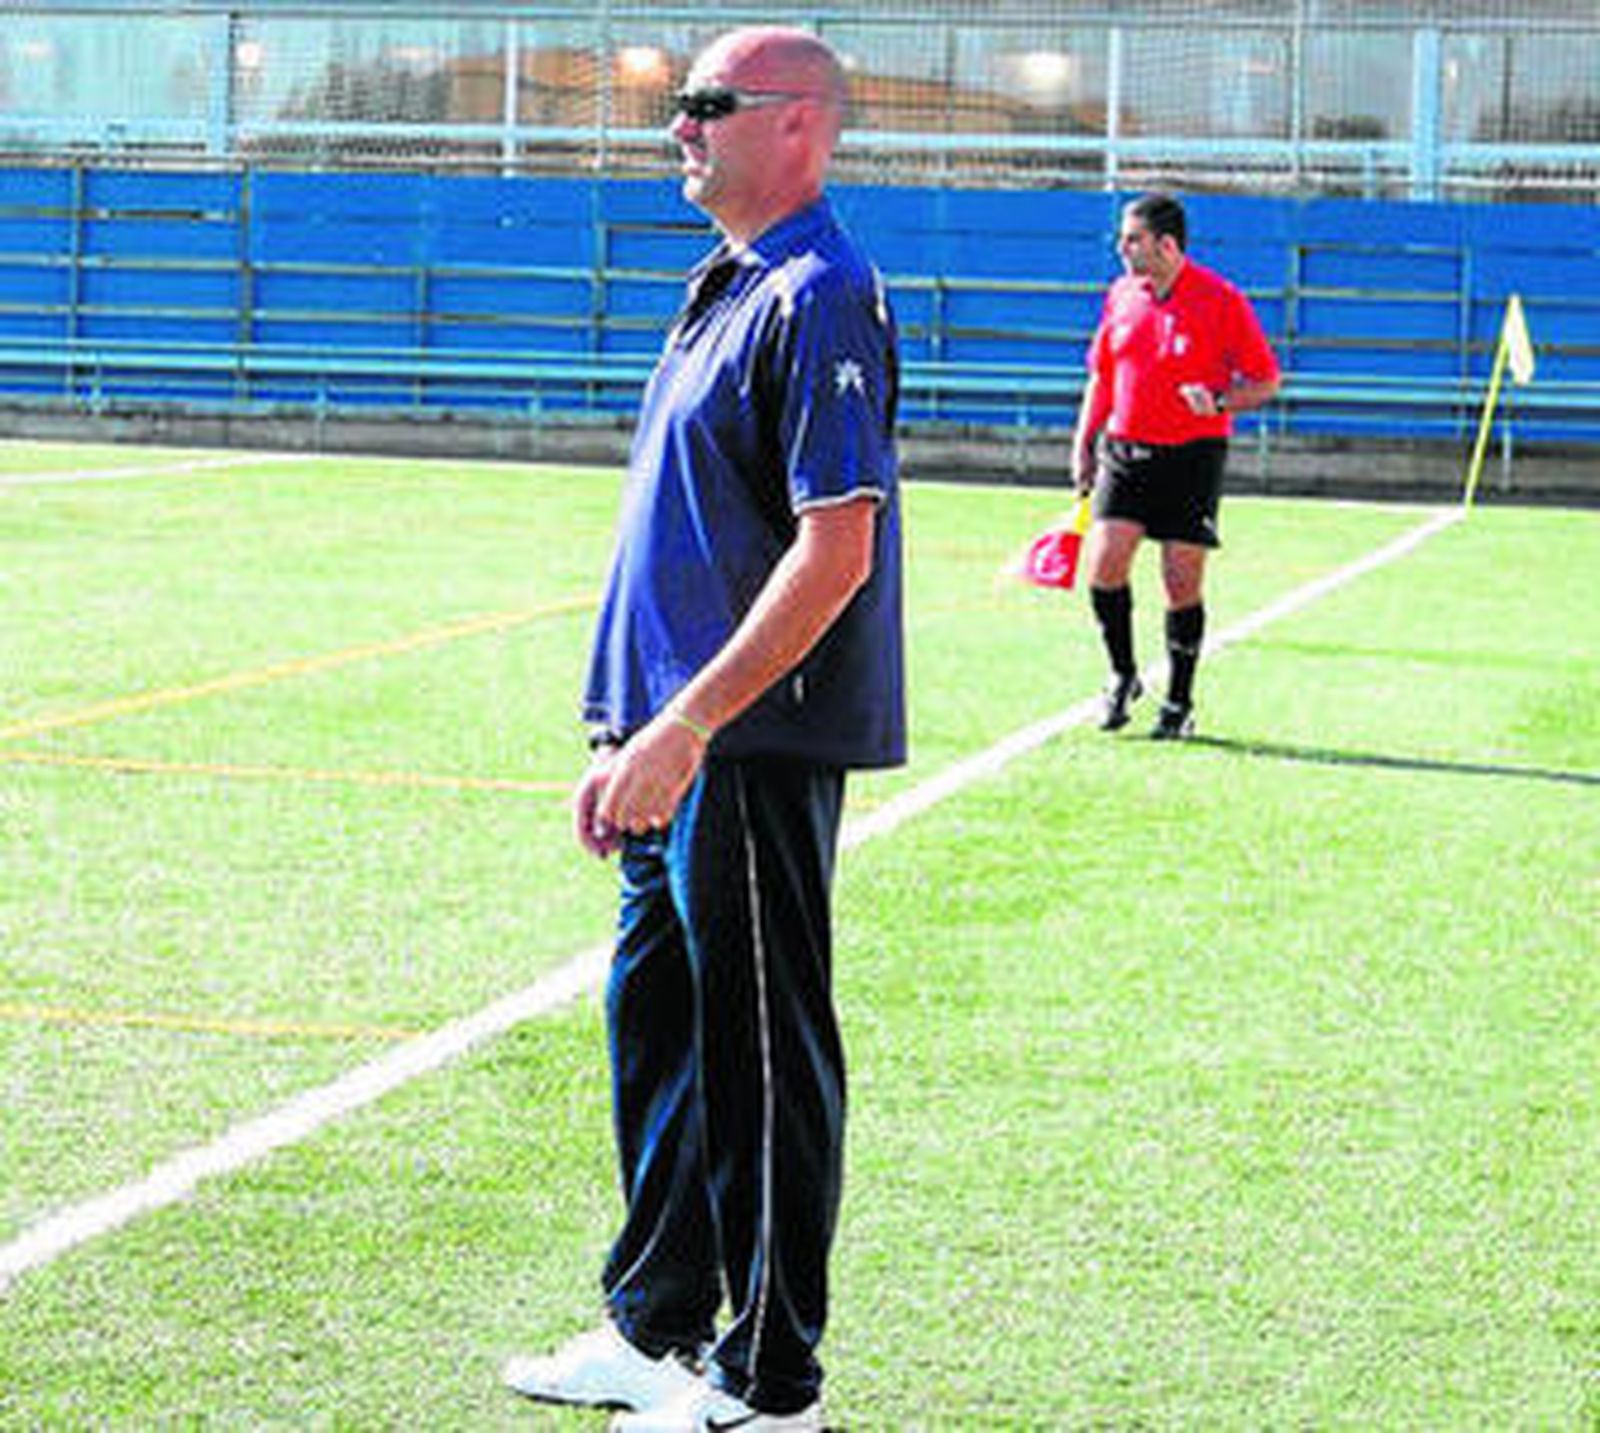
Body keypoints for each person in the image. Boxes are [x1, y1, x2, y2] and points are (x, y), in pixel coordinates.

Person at [502, 25, 904, 1433]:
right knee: (659, 1038)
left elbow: (832, 551)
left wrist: (684, 725)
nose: (677, 126)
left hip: (743, 747)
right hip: (668, 748)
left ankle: (772, 1382)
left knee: (760, 1057)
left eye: (705, 106)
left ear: (799, 126)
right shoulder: (725, 283)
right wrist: (631, 731)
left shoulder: (821, 293)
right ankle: (656, 1324)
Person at [1070, 192, 1281, 739]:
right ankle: (1122, 677)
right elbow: (1103, 375)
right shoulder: (1121, 295)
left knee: (1179, 581)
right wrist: (1083, 441)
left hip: (1192, 458)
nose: (1122, 247)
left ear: (1167, 245)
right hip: (1125, 451)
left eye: (1133, 238)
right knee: (1105, 564)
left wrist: (1218, 400)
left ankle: (1179, 702)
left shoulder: (1222, 300)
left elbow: (1265, 382)